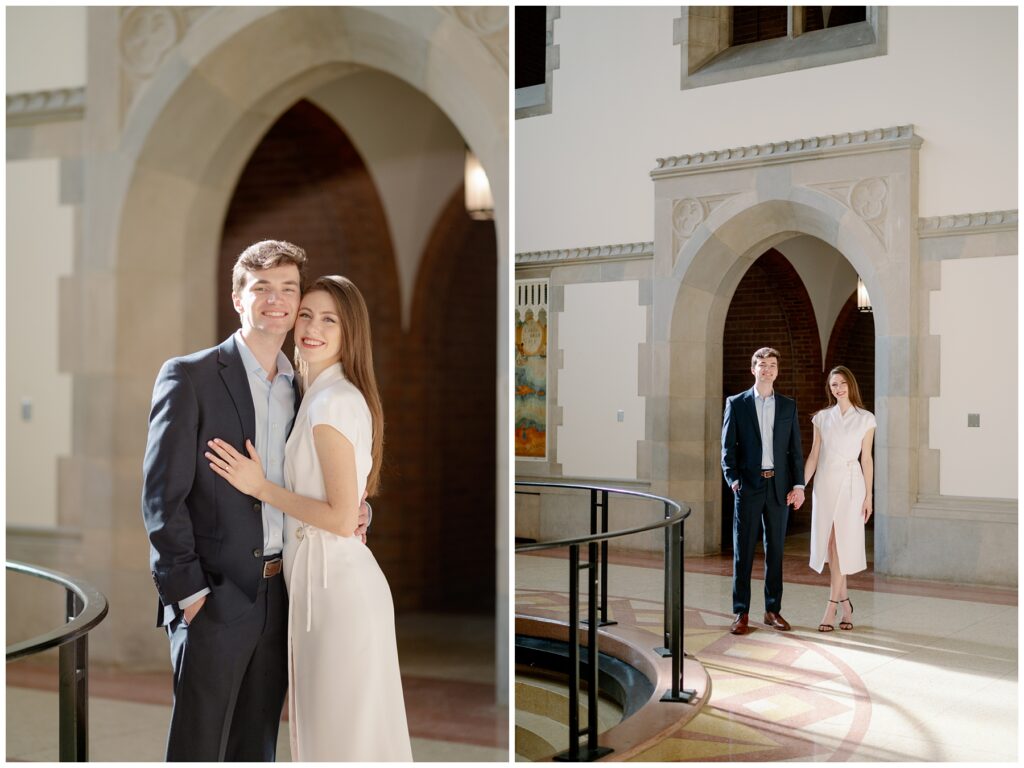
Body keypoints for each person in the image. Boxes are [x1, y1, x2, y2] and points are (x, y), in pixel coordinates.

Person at [206, 275, 412, 761]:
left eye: (329, 320)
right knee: (333, 735)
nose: (312, 328)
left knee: (344, 740)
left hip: (338, 591)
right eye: (306, 315)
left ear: (349, 333)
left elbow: (341, 519)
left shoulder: (332, 402)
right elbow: (348, 507)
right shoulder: (316, 395)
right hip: (322, 586)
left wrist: (261, 488)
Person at [143, 240, 310, 760]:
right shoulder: (189, 376)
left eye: (288, 289)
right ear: (238, 298)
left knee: (255, 745)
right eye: (261, 288)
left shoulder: (303, 388)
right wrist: (188, 594)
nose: (275, 301)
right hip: (214, 598)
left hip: (282, 594)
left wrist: (360, 509)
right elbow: (160, 497)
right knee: (199, 748)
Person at [721, 347, 805, 635]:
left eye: (771, 365)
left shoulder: (787, 406)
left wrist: (798, 485)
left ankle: (772, 610)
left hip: (779, 488)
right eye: (761, 364)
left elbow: (795, 450)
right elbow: (727, 448)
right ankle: (740, 613)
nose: (767, 369)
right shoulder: (737, 403)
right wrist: (733, 479)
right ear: (752, 368)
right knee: (743, 551)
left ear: (777, 371)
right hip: (748, 486)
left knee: (776, 551)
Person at [803, 365, 876, 632]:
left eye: (842, 383)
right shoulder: (821, 418)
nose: (838, 388)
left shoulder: (866, 418)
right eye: (833, 384)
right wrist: (801, 485)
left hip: (851, 483)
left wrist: (869, 496)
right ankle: (845, 603)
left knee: (842, 542)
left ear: (851, 384)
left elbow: (866, 458)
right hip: (824, 483)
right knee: (831, 542)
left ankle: (832, 604)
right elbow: (813, 455)